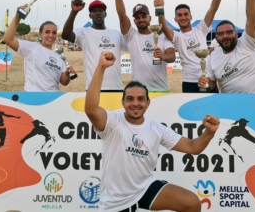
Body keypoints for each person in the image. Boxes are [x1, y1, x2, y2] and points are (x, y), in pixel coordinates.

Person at [85, 51, 220, 212]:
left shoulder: (156, 129)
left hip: (144, 188)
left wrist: (209, 132)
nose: (136, 103)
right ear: (123, 102)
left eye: (141, 99)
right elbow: (91, 109)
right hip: (115, 201)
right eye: (130, 99)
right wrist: (101, 67)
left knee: (191, 203)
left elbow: (192, 147)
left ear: (148, 103)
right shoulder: (113, 122)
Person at [155, 0, 227, 93]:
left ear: (191, 16)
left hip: (208, 78)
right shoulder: (177, 36)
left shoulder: (201, 29)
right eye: (179, 15)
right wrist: (159, 8)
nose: (183, 17)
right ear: (175, 19)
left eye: (185, 14)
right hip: (189, 81)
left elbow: (213, 8)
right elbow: (163, 27)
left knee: (213, 111)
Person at [200, 0, 255, 94]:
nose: (225, 36)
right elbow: (211, 83)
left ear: (236, 34)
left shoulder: (248, 44)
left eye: (229, 32)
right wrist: (205, 83)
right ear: (216, 38)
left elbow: (252, 18)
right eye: (221, 34)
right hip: (231, 107)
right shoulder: (213, 57)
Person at [113, 0, 175, 92]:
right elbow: (122, 16)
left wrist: (163, 56)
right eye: (137, 17)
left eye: (144, 16)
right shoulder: (131, 36)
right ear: (134, 21)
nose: (141, 19)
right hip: (139, 91)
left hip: (161, 89)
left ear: (150, 18)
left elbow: (172, 57)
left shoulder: (161, 36)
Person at [3, 5, 75, 92]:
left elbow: (64, 82)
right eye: (47, 32)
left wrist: (67, 75)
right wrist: (18, 17)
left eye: (54, 33)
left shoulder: (59, 57)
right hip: (34, 97)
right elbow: (8, 39)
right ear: (40, 34)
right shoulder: (32, 48)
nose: (51, 35)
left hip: (53, 98)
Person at [62, 0, 127, 91]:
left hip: (116, 87)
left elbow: (132, 47)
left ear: (105, 14)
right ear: (90, 16)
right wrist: (74, 12)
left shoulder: (116, 34)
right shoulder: (84, 32)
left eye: (100, 11)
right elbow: (66, 35)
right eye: (94, 11)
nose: (97, 13)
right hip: (94, 88)